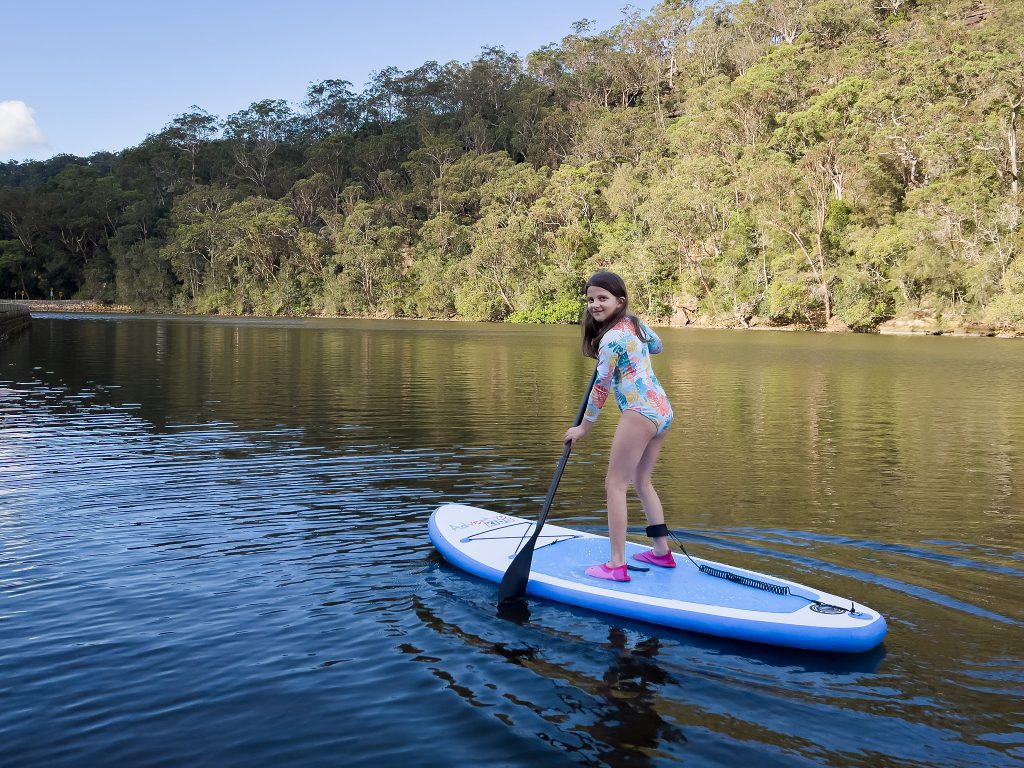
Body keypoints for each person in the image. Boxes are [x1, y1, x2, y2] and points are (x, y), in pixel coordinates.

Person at [563, 271, 674, 582]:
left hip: (640, 412)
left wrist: (583, 429)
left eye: (602, 298)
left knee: (615, 484)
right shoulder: (634, 325)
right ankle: (662, 552)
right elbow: (657, 346)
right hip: (662, 410)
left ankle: (616, 564)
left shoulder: (611, 339)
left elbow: (600, 389)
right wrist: (630, 345)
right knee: (641, 481)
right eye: (590, 299)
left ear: (619, 301)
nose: (595, 305)